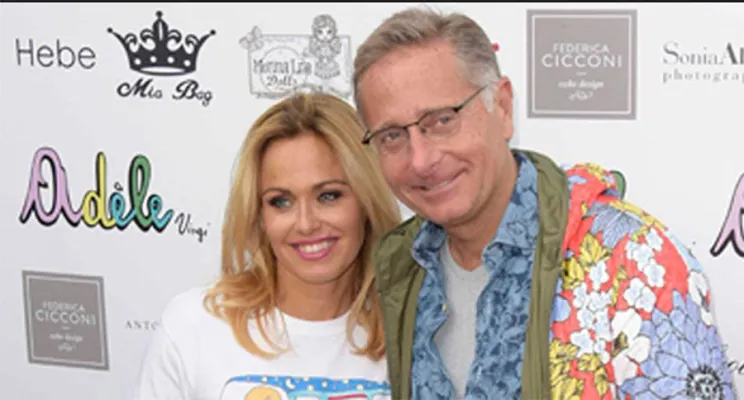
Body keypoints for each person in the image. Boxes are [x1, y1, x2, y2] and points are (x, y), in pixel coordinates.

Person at [352, 6, 737, 400]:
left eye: (441, 120)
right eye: (392, 136)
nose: (421, 159)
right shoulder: (399, 270)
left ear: (502, 107)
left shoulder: (634, 262)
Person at [133, 93, 401, 400]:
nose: (306, 224)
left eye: (328, 196)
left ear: (367, 200)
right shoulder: (193, 327)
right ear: (259, 215)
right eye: (281, 202)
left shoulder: (412, 334)